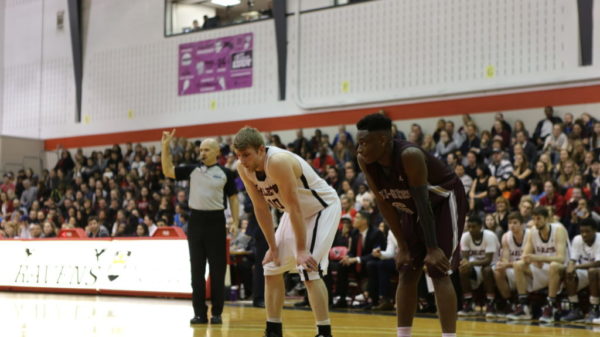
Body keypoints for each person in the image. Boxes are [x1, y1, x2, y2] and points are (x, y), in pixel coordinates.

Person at [355, 113, 467, 337]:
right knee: (406, 269)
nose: (360, 149)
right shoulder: (365, 160)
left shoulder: (410, 155)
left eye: (364, 143)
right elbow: (385, 203)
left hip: (443, 201)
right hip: (412, 205)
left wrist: (433, 248)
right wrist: (403, 247)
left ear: (383, 140)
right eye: (358, 143)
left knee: (438, 269)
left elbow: (424, 202)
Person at [233, 126, 341, 337]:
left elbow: (295, 206)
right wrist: (272, 247)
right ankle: (273, 330)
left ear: (261, 150)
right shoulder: (242, 168)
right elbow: (260, 208)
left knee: (308, 268)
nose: (243, 160)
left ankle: (324, 331)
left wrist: (301, 249)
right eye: (239, 155)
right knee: (272, 266)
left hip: (321, 208)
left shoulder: (278, 162)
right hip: (294, 213)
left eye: (246, 155)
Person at [161, 129, 239, 325]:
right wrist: (165, 146)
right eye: (201, 149)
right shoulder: (192, 170)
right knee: (196, 270)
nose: (202, 153)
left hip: (216, 222)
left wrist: (235, 221)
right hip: (195, 222)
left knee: (218, 270)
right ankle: (199, 313)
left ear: (216, 152)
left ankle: (217, 313)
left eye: (206, 149)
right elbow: (167, 170)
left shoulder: (226, 174)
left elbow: (234, 199)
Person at [506, 207, 569, 322]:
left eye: (538, 218)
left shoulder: (558, 230)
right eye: (534, 219)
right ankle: (524, 307)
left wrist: (539, 257)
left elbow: (561, 258)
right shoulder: (533, 231)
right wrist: (532, 260)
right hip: (543, 268)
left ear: (546, 219)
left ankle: (551, 305)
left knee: (554, 265)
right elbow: (525, 256)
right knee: (518, 264)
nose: (536, 221)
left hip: (561, 268)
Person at [457, 215, 500, 318]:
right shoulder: (465, 236)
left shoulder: (489, 236)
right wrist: (465, 264)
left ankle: (490, 303)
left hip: (493, 264)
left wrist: (470, 263)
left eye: (474, 227)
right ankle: (468, 302)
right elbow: (465, 259)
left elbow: (488, 260)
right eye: (469, 226)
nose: (471, 229)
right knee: (463, 269)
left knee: (486, 270)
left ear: (481, 227)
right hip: (476, 264)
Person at [560, 218, 600, 322]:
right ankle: (575, 308)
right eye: (582, 231)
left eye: (587, 231)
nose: (584, 234)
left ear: (595, 231)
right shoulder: (577, 239)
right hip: (585, 271)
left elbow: (597, 263)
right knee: (568, 272)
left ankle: (595, 308)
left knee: (592, 271)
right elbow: (572, 260)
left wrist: (576, 267)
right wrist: (570, 268)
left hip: (597, 272)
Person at [493, 212, 529, 317]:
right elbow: (505, 259)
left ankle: (523, 304)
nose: (511, 225)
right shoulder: (506, 237)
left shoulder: (529, 235)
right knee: (497, 270)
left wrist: (507, 265)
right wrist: (502, 264)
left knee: (519, 266)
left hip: (528, 267)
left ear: (522, 224)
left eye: (515, 223)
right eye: (509, 223)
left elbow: (527, 260)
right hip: (513, 267)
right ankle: (509, 302)